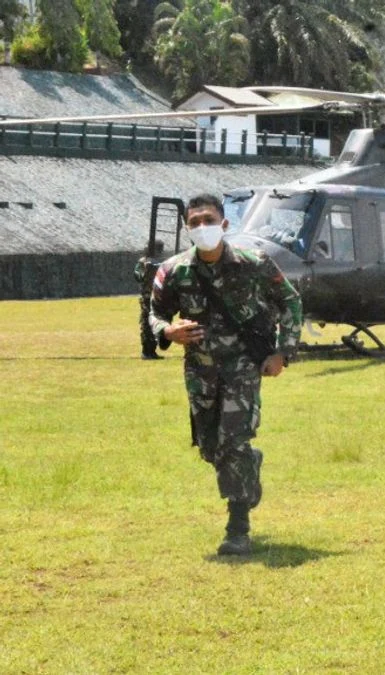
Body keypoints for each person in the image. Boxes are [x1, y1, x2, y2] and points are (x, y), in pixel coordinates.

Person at [148, 194, 303, 557]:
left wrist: (283, 351)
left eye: (209, 219)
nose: (203, 227)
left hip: (243, 367)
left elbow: (290, 300)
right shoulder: (173, 271)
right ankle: (250, 466)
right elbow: (154, 313)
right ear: (187, 229)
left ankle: (238, 529)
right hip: (199, 370)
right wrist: (167, 332)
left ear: (225, 224)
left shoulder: (254, 263)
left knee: (233, 443)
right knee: (211, 448)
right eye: (195, 222)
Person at [135, 240, 166, 359]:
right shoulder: (143, 262)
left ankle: (152, 350)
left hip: (158, 296)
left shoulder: (161, 262)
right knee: (147, 323)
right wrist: (146, 271)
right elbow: (137, 276)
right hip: (147, 296)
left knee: (156, 322)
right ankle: (146, 350)